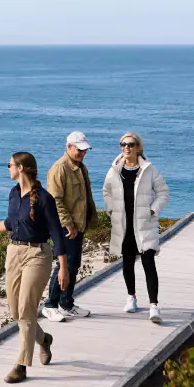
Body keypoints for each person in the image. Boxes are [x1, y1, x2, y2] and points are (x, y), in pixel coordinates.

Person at [0, 151, 61, 383]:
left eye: (9, 165)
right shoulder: (13, 194)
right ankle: (44, 339)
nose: (8, 168)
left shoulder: (44, 199)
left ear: (21, 168)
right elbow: (11, 223)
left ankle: (21, 366)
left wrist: (64, 267)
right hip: (14, 252)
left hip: (37, 254)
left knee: (27, 310)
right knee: (16, 312)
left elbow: (57, 233)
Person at [103, 131, 169, 323]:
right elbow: (106, 191)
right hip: (123, 224)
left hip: (144, 224)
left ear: (138, 147)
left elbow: (163, 192)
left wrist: (153, 210)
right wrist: (111, 209)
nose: (126, 147)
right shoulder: (115, 170)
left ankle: (154, 306)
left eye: (130, 144)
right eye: (123, 144)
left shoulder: (149, 169)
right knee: (127, 262)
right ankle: (131, 297)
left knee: (149, 263)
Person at [41, 131, 95, 321]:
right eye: (79, 149)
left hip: (78, 225)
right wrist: (69, 225)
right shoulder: (60, 168)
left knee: (73, 264)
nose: (83, 153)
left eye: (85, 150)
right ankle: (50, 305)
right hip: (66, 227)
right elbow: (55, 200)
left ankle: (66, 303)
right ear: (69, 147)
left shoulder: (80, 167)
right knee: (64, 265)